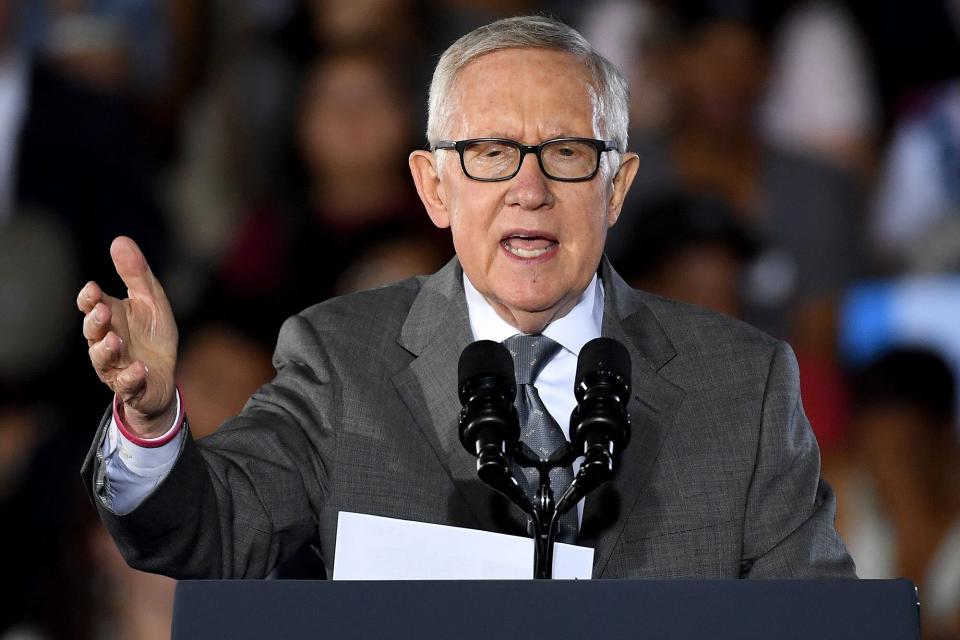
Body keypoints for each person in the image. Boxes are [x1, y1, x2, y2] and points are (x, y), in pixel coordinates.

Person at [77, 15, 854, 580]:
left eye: (567, 152)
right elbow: (209, 529)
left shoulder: (745, 385)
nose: (528, 189)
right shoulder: (342, 359)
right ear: (433, 186)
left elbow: (822, 624)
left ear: (617, 188)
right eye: (489, 153)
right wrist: (148, 428)